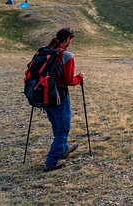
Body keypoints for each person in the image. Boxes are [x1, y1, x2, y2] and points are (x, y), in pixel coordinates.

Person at [43, 27, 84, 171]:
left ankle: (64, 148)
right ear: (67, 39)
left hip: (45, 96)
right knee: (63, 129)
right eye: (70, 39)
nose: (71, 42)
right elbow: (69, 80)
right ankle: (52, 161)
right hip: (59, 97)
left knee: (56, 124)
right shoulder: (67, 56)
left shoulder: (47, 50)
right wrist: (79, 78)